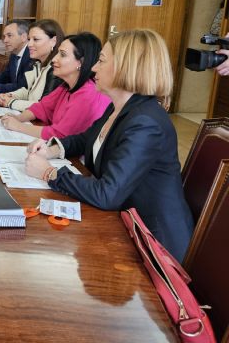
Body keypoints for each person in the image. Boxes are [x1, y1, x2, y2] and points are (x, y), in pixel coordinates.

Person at [25, 29, 194, 262]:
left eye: (101, 61)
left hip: (152, 245)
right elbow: (88, 139)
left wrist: (49, 172)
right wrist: (52, 148)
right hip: (122, 223)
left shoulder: (146, 122)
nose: (93, 68)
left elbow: (108, 194)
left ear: (127, 67)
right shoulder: (121, 107)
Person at [1, 32, 110, 139]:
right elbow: (42, 107)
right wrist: (18, 118)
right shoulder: (66, 86)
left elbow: (60, 134)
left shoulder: (88, 94)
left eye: (62, 54)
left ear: (81, 62)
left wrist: (18, 126)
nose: (54, 59)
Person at [0, 19, 65, 112]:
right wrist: (10, 95)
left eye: (35, 39)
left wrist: (11, 102)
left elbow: (44, 105)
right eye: (29, 39)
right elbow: (29, 91)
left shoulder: (56, 70)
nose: (29, 44)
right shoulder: (38, 64)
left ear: (53, 41)